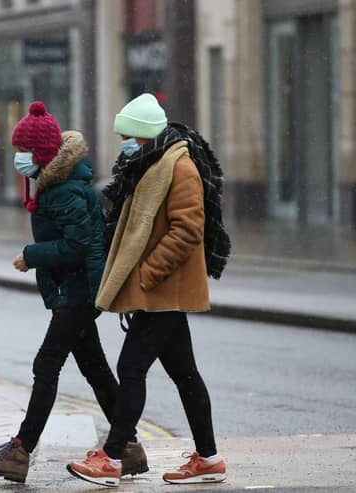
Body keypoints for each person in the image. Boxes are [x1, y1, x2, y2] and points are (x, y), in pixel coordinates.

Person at [0, 101, 147, 483]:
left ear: (43, 153)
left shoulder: (62, 190)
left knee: (46, 364)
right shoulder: (56, 184)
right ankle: (129, 448)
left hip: (80, 291)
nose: (18, 158)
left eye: (24, 151)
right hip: (78, 289)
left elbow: (79, 245)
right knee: (95, 370)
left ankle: (20, 451)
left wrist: (31, 255)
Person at [67, 93, 231, 487]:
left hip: (164, 289)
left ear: (143, 135)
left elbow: (188, 228)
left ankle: (111, 457)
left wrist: (146, 275)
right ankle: (208, 458)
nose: (123, 142)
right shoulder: (150, 164)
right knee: (185, 374)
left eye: (127, 135)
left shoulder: (180, 166)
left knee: (131, 367)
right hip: (161, 291)